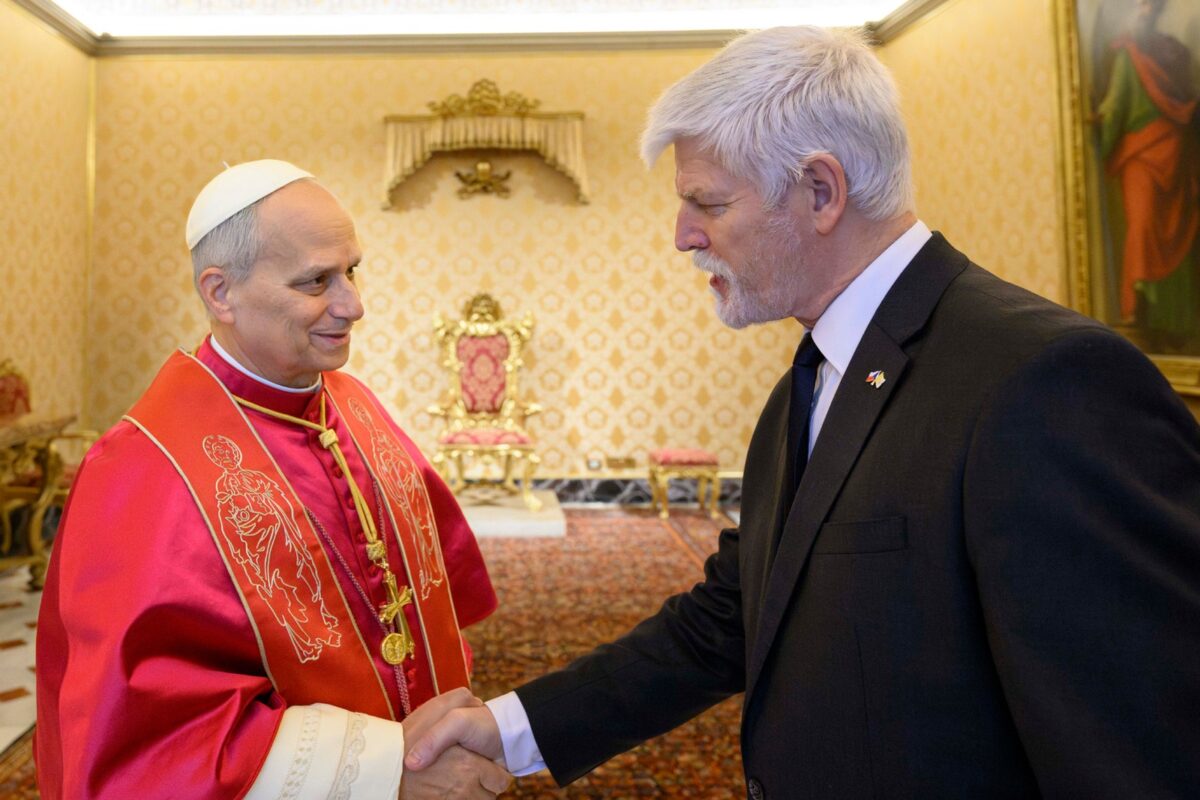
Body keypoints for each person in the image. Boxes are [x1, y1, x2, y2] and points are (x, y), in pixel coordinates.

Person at [403, 25, 1200, 798]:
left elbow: (1136, 751)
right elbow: (740, 612)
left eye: (706, 204)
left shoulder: (1048, 383)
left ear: (821, 191)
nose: (683, 237)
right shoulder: (813, 377)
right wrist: (509, 727)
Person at [35, 160, 512, 799]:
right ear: (220, 292)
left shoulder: (354, 404)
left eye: (352, 271)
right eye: (316, 280)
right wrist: (380, 771)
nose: (353, 305)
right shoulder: (142, 468)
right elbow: (148, 733)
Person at [1096, 0, 1199, 343]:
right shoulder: (1178, 54)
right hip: (1175, 149)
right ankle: (1171, 317)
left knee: (1142, 228)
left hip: (1142, 152)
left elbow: (1116, 106)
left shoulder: (1130, 51)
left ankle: (1138, 311)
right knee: (1171, 231)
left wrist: (1100, 128)